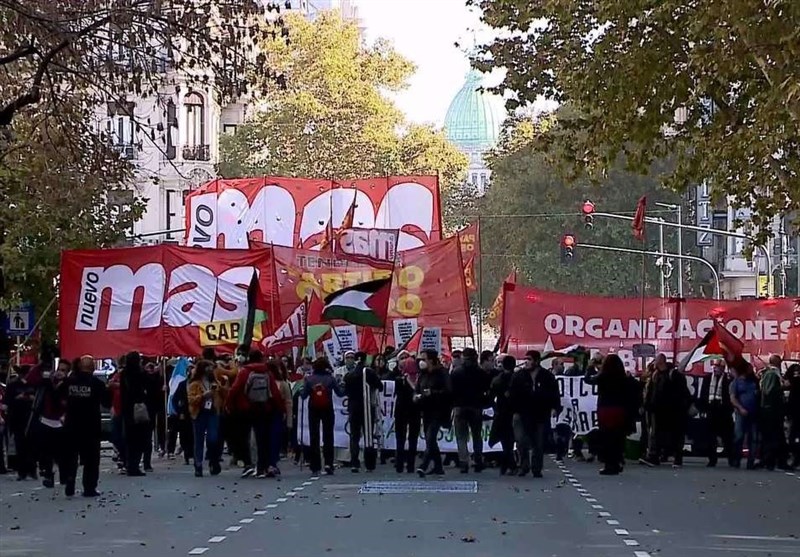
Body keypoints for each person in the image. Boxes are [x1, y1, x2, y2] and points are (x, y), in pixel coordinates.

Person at [63, 355, 110, 497]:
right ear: (92, 367)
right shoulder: (97, 384)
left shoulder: (69, 382)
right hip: (90, 426)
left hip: (71, 424)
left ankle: (69, 482)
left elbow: (59, 398)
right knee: (91, 459)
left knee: (71, 456)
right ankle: (89, 487)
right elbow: (106, 403)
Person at [509, 350, 560, 478]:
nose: (526, 362)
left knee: (539, 442)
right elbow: (511, 394)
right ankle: (524, 465)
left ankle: (537, 468)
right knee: (520, 440)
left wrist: (554, 408)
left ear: (537, 361)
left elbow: (554, 393)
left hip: (540, 414)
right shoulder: (518, 376)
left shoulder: (547, 376)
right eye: (525, 359)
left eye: (530, 359)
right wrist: (513, 410)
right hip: (521, 413)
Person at [585, 354, 629, 475]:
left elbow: (588, 379)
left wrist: (590, 367)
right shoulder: (622, 377)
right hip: (619, 409)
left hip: (606, 409)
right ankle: (617, 460)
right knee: (617, 436)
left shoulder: (603, 376)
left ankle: (609, 464)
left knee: (607, 437)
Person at [301, 357, 345, 475]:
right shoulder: (330, 379)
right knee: (328, 436)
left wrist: (303, 387)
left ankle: (315, 465)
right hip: (327, 408)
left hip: (313, 409)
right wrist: (343, 385)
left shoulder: (310, 379)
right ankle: (328, 463)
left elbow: (304, 395)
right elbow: (340, 393)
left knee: (314, 436)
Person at [450, 347, 489, 473]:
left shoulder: (456, 372)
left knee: (461, 436)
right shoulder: (481, 373)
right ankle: (478, 460)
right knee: (477, 435)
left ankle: (463, 462)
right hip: (475, 406)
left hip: (459, 406)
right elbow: (486, 389)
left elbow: (451, 390)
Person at [343, 352, 383, 472]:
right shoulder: (369, 373)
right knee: (368, 435)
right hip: (367, 407)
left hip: (353, 407)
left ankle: (354, 462)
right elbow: (380, 386)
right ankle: (369, 463)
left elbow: (345, 391)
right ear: (365, 360)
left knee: (354, 436)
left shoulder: (349, 375)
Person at [32, 359, 69, 488]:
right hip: (46, 420)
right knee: (45, 452)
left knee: (62, 453)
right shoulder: (47, 383)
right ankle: (48, 475)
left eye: (63, 370)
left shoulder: (68, 386)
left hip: (60, 422)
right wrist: (41, 364)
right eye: (59, 369)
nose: (60, 373)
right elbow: (31, 379)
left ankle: (64, 476)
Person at [415, 350, 451, 477]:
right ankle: (438, 467)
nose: (421, 362)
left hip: (439, 410)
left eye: (423, 359)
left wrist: (433, 393)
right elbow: (418, 388)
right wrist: (416, 396)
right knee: (430, 440)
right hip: (426, 410)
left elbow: (448, 391)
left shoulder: (441, 373)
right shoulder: (423, 374)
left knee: (430, 437)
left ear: (431, 360)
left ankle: (423, 465)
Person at [188, 360, 224, 477]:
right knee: (198, 441)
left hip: (212, 412)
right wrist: (203, 396)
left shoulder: (215, 382)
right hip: (199, 413)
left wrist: (221, 388)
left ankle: (213, 461)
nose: (211, 370)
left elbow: (223, 394)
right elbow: (191, 399)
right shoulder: (194, 384)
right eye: (208, 368)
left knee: (213, 438)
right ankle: (198, 465)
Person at [696, 361, 734, 467]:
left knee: (727, 437)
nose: (716, 368)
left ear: (723, 368)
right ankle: (712, 459)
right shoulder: (707, 378)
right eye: (715, 366)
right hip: (711, 410)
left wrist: (729, 409)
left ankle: (731, 459)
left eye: (719, 367)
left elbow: (731, 395)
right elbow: (703, 393)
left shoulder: (728, 379)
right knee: (710, 437)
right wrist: (703, 409)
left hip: (723, 411)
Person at [5, 365, 38, 480]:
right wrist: (17, 398)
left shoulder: (34, 384)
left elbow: (39, 399)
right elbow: (7, 401)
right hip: (17, 418)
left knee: (31, 446)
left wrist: (32, 398)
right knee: (20, 446)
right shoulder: (13, 385)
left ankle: (32, 470)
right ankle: (22, 471)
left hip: (31, 418)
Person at [121, 351, 150, 477]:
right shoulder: (140, 373)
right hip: (138, 408)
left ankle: (129, 464)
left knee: (130, 439)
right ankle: (134, 465)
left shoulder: (123, 374)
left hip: (127, 409)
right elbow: (147, 385)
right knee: (139, 439)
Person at [390, 356, 422, 473]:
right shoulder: (418, 379)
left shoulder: (401, 379)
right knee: (412, 439)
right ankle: (410, 465)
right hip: (414, 411)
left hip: (401, 410)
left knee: (401, 438)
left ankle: (399, 465)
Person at [489, 355, 517, 475]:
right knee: (509, 441)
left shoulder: (497, 380)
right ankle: (510, 464)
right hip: (513, 412)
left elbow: (491, 397)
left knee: (505, 441)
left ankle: (506, 465)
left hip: (501, 412)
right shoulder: (517, 379)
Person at [759, 355, 788, 470]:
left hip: (769, 409)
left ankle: (771, 460)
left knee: (772, 436)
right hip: (771, 410)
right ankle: (772, 461)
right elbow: (768, 391)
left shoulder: (768, 373)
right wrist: (782, 387)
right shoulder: (772, 374)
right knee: (775, 436)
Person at [730, 362, 760, 469]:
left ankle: (750, 462)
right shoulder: (737, 382)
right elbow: (733, 398)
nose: (751, 370)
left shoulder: (755, 381)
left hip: (754, 413)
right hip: (741, 413)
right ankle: (736, 459)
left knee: (753, 438)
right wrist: (740, 408)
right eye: (749, 368)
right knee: (739, 436)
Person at [167, 365, 194, 466]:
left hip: (195, 413)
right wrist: (179, 411)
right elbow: (175, 399)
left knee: (193, 435)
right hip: (184, 414)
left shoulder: (198, 384)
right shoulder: (182, 384)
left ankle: (192, 454)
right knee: (184, 436)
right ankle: (187, 455)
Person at [143, 361, 166, 471]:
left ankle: (145, 462)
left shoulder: (158, 379)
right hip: (143, 410)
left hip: (153, 410)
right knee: (145, 437)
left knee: (147, 437)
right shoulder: (144, 377)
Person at [785, 363, 800, 469]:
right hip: (794, 410)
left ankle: (796, 459)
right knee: (793, 437)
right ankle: (795, 458)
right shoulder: (794, 369)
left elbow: (786, 383)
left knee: (793, 436)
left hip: (795, 410)